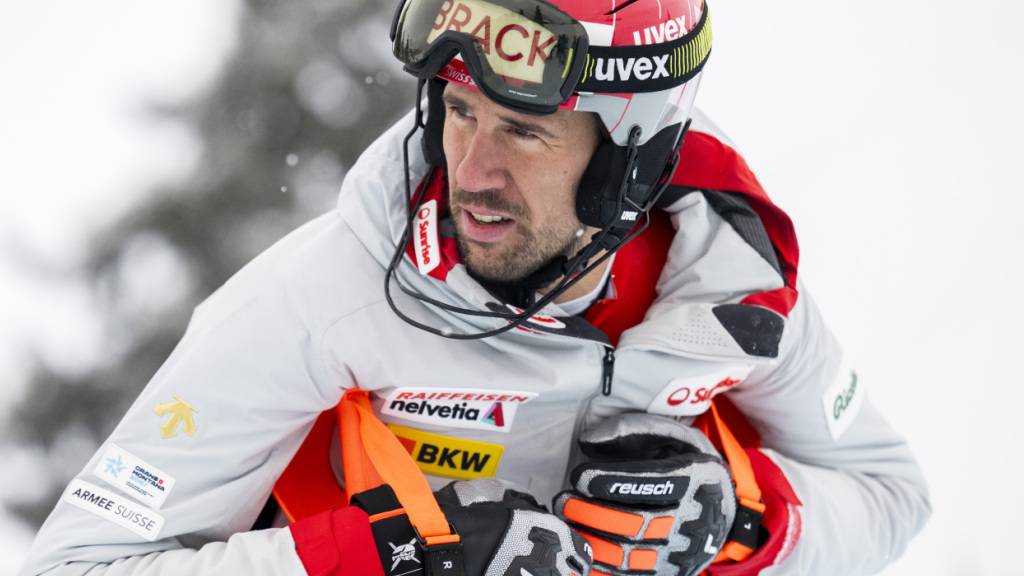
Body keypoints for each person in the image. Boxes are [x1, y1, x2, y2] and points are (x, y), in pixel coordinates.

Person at [20, 0, 931, 574]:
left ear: (631, 157)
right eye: (459, 111)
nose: (473, 169)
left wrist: (744, 522)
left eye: (525, 133)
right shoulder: (325, 299)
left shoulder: (730, 294)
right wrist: (386, 555)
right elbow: (77, 564)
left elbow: (893, 498)